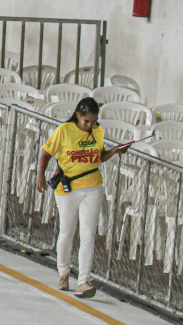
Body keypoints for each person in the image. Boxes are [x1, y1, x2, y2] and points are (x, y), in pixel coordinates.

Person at [38, 96, 133, 296]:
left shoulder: (98, 131)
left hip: (92, 187)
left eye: (93, 121)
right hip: (68, 189)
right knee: (67, 233)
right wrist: (40, 175)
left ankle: (83, 280)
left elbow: (99, 157)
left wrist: (115, 151)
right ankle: (63, 273)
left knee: (88, 235)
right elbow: (46, 153)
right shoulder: (64, 131)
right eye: (86, 121)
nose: (90, 125)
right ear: (78, 115)